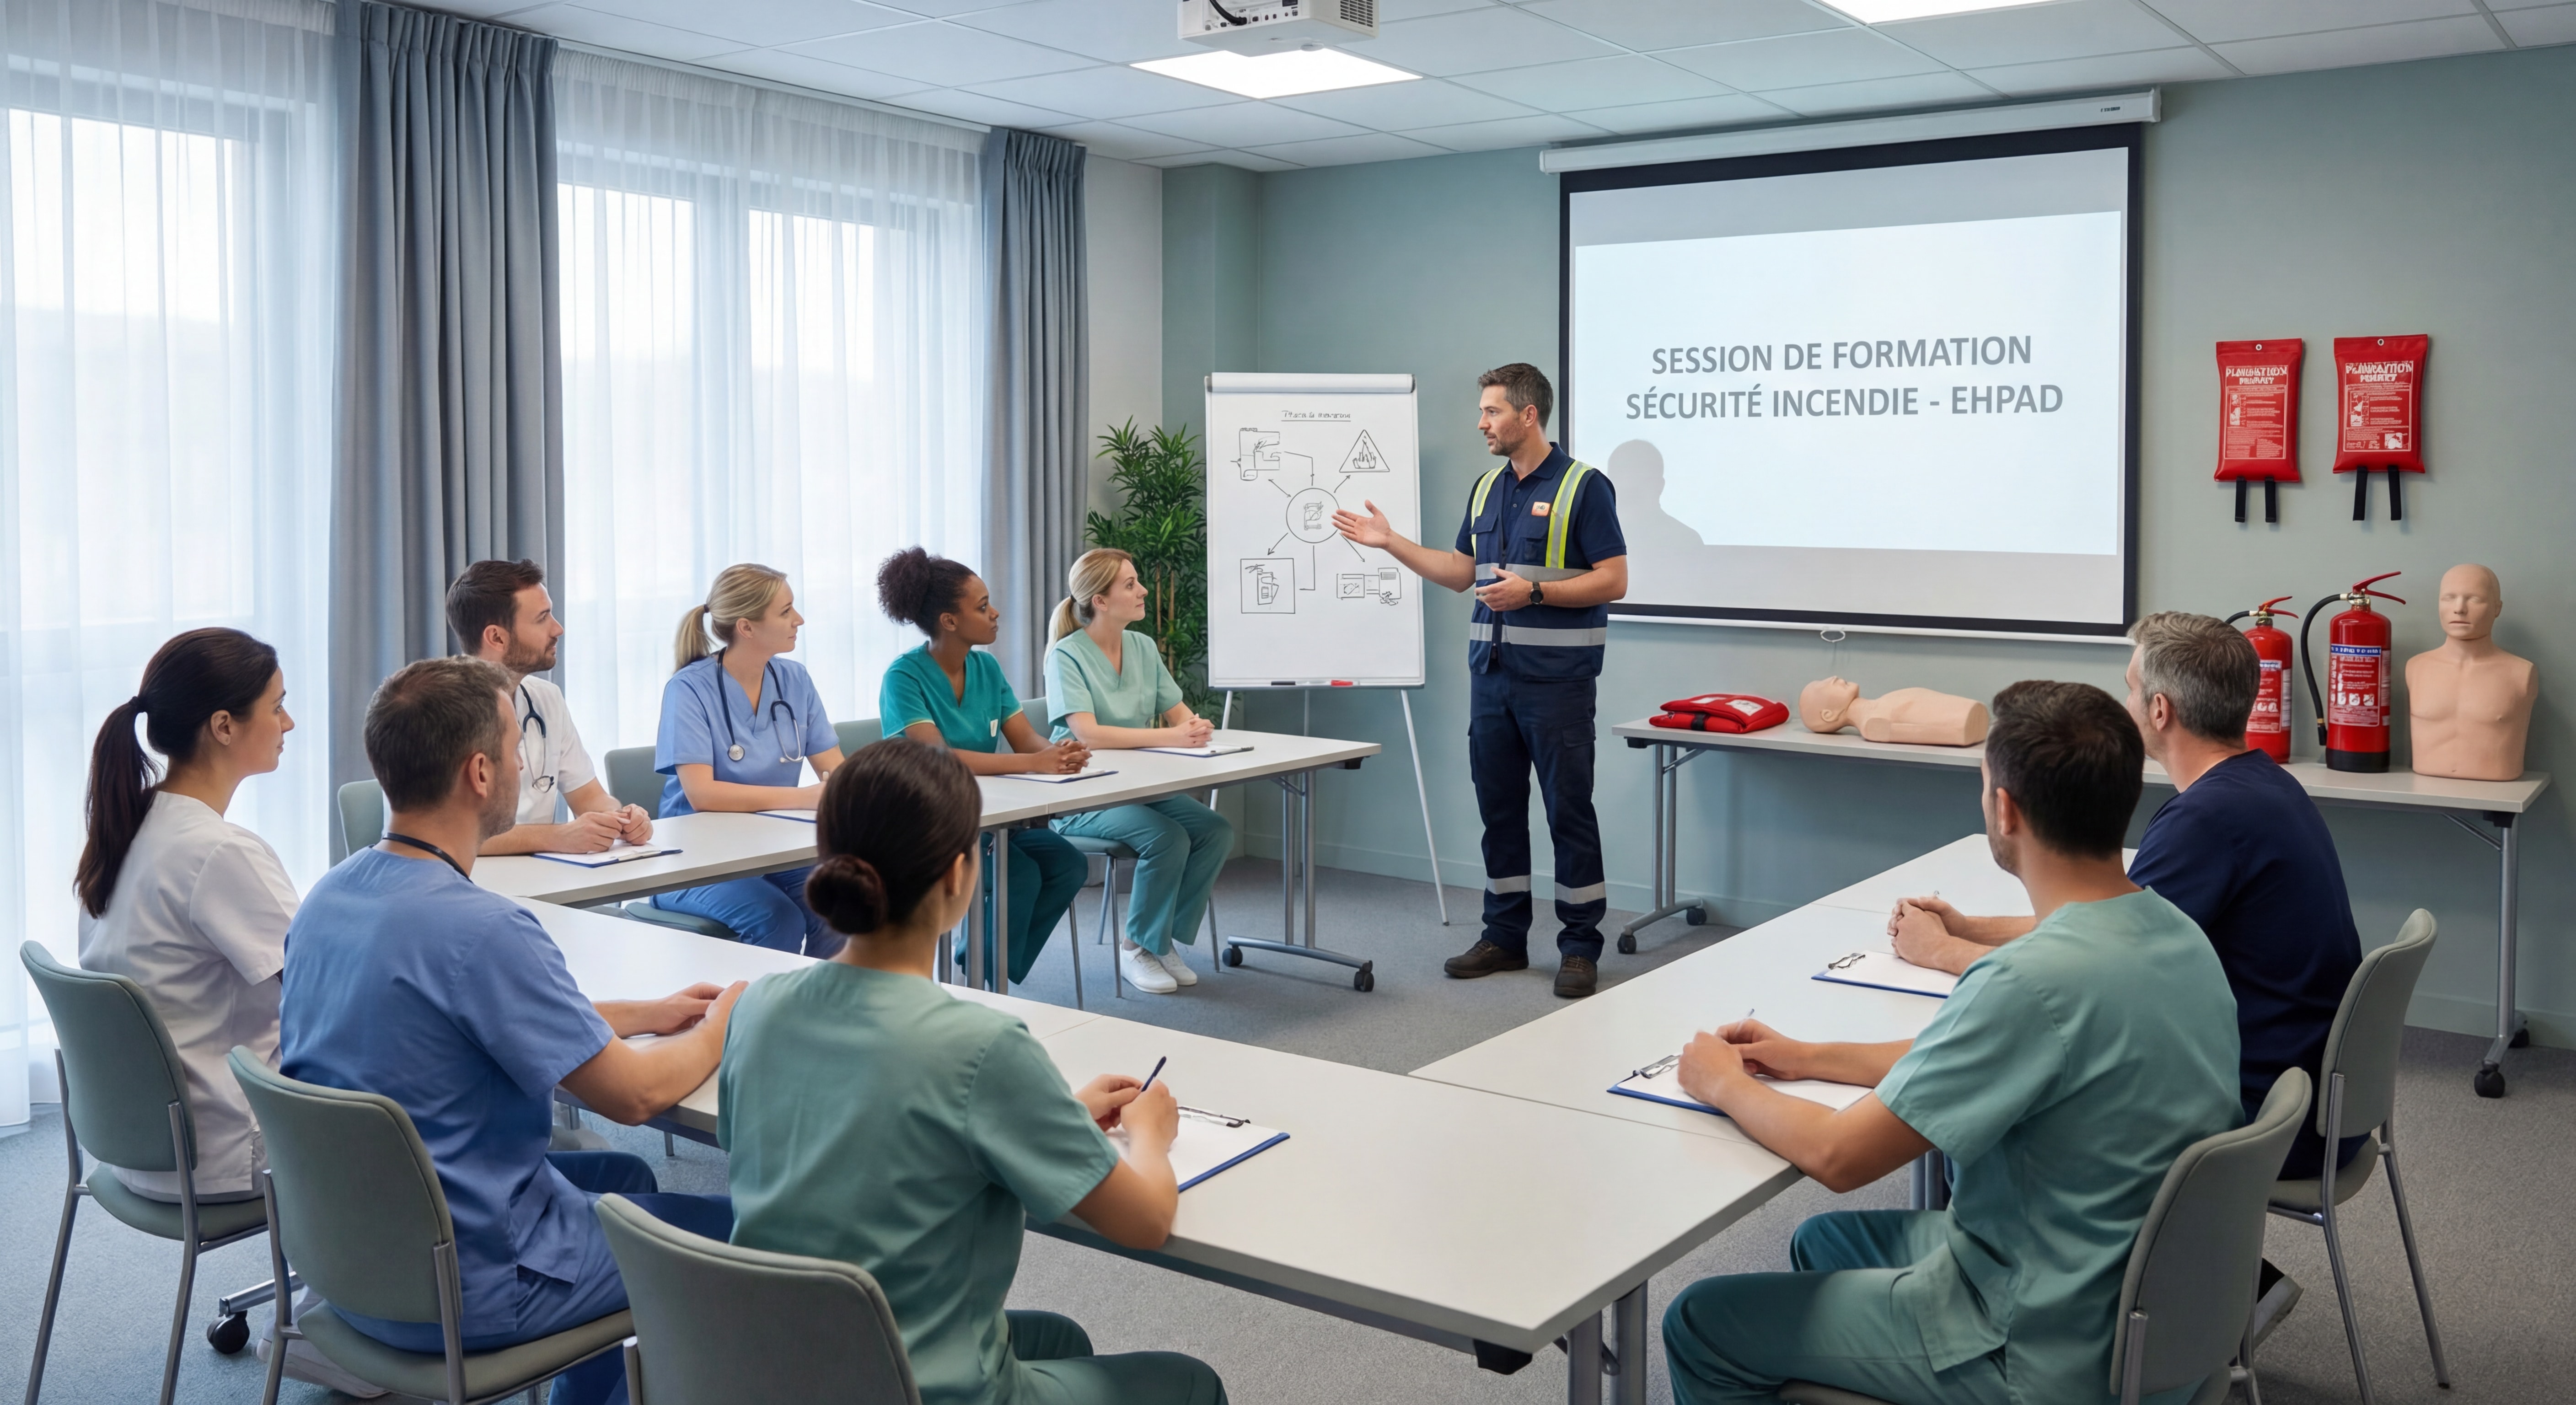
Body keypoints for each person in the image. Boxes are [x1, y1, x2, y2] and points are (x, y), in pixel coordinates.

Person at [1660, 680, 2243, 1405]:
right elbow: (1971, 1059)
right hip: (2137, 1297)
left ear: (2006, 809)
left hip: (2037, 1341)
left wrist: (1722, 1081)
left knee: (1700, 1321)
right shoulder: (2177, 933)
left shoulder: (2028, 982)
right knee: (1824, 1245)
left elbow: (1840, 1158)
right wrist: (1807, 1057)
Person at [279, 658, 741, 1405]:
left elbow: (437, 1030)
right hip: (474, 1280)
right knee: (758, 1240)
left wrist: (641, 1015)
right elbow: (634, 1096)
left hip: (353, 1264)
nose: (528, 761)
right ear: (482, 774)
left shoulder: (328, 896)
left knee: (624, 1180)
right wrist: (724, 1022)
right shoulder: (484, 928)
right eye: (515, 746)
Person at [1890, 610, 2366, 1335]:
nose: (2125, 701)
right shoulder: (2258, 786)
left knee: (2007, 1110)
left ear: (2161, 710)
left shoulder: (2204, 820)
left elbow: (2097, 962)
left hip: (2256, 1105)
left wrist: (1943, 953)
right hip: (2306, 1085)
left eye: (2130, 685)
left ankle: (1994, 1316)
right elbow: (2109, 921)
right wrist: (1969, 924)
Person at [721, 739, 1226, 1405]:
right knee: (1191, 1384)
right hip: (921, 1387)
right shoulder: (982, 1047)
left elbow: (879, 1130)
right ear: (960, 876)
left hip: (783, 1365)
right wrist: (1152, 1135)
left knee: (1059, 1336)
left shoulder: (758, 1006)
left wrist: (1055, 1115)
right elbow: (1144, 1223)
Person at [1334, 362, 1628, 997]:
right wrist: (1391, 543)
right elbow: (1461, 571)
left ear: (1529, 415)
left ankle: (1579, 947)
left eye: (1492, 411)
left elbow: (1614, 579)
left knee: (1568, 813)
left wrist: (1538, 592)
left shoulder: (1585, 487)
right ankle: (1505, 936)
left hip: (1558, 683)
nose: (1481, 422)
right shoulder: (1487, 489)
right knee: (1499, 813)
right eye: (1483, 411)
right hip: (1492, 681)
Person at [876, 547, 1089, 985]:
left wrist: (1059, 752)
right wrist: (1034, 762)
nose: (995, 613)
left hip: (988, 823)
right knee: (1023, 878)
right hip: (929, 831)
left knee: (1069, 865)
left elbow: (1025, 738)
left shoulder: (987, 668)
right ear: (949, 622)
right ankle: (986, 978)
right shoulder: (903, 677)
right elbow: (938, 758)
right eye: (982, 607)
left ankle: (983, 965)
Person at [1041, 548, 1232, 996]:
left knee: (1214, 830)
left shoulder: (1143, 648)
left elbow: (1179, 716)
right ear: (1101, 601)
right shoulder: (1066, 656)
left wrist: (1196, 726)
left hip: (1137, 785)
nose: (1143, 590)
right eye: (1130, 584)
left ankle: (1158, 939)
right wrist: (1173, 737)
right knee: (1166, 837)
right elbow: (1086, 735)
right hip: (1080, 792)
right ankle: (1136, 947)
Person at [651, 563, 846, 955]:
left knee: (842, 903)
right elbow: (704, 795)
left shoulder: (795, 681)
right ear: (747, 627)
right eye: (786, 611)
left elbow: (835, 771)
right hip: (694, 862)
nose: (799, 620)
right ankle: (758, 1017)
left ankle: (824, 1013)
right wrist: (805, 797)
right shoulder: (689, 689)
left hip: (772, 850)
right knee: (777, 918)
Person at [445, 558, 654, 856]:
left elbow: (591, 797)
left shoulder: (547, 699)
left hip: (541, 881)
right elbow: (448, 834)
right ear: (496, 637)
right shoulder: (435, 711)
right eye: (542, 618)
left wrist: (624, 819)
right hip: (463, 887)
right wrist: (557, 837)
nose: (558, 629)